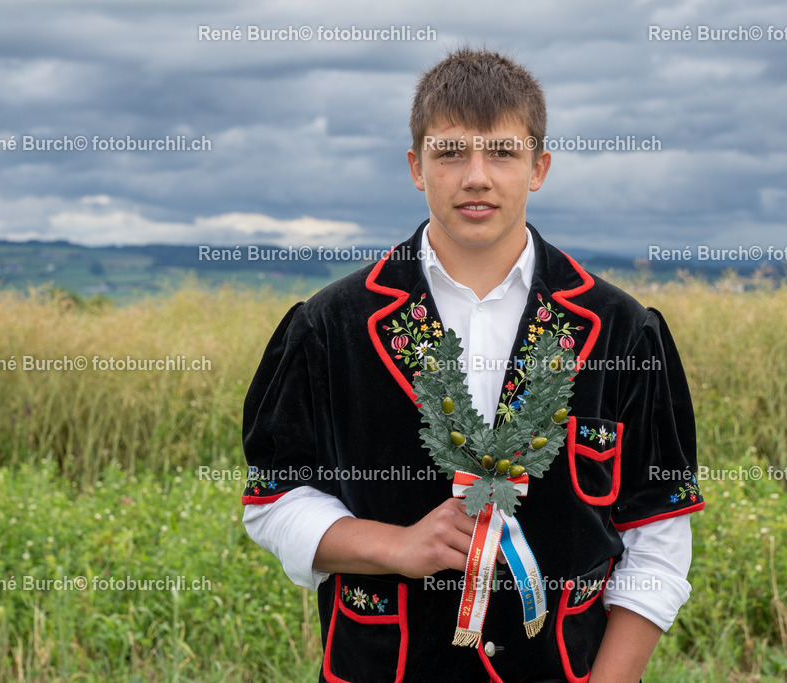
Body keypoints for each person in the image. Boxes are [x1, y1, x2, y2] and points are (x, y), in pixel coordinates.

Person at [242, 47, 703, 682]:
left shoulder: (622, 331)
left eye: (503, 152)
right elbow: (273, 502)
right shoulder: (328, 327)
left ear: (539, 166)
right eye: (451, 151)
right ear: (416, 166)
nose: (476, 176)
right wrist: (398, 546)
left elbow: (659, 536)